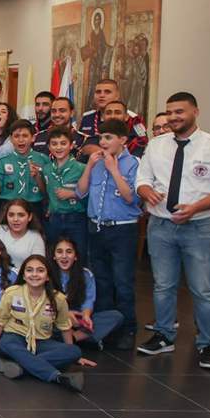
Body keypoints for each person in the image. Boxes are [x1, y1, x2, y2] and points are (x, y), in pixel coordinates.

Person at [135, 92, 210, 369]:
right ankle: (164, 335)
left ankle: (208, 344)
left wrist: (195, 208)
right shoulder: (156, 145)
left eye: (179, 111)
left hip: (201, 227)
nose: (173, 117)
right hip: (161, 225)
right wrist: (146, 192)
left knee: (203, 289)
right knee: (163, 285)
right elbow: (142, 180)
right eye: (169, 112)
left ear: (195, 112)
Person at [0, 255, 92, 392]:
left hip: (42, 342)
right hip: (15, 338)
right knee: (6, 343)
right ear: (24, 275)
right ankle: (57, 377)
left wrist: (73, 356)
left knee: (74, 351)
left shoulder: (58, 299)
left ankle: (20, 366)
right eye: (29, 270)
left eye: (40, 270)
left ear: (47, 276)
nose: (34, 274)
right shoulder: (12, 293)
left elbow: (65, 327)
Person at [76, 119, 140, 349]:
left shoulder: (133, 164)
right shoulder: (97, 163)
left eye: (108, 137)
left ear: (122, 140)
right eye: (101, 137)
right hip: (96, 227)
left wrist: (114, 169)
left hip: (122, 228)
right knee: (101, 279)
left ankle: (128, 328)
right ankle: (106, 327)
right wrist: (89, 167)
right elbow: (80, 192)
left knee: (122, 281)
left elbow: (130, 197)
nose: (102, 142)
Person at [51, 237, 121, 351]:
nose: (64, 256)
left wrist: (86, 316)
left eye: (69, 252)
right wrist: (66, 314)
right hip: (56, 317)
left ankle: (73, 338)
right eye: (59, 252)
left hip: (77, 318)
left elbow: (88, 300)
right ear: (54, 256)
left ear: (75, 256)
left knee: (115, 316)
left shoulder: (86, 275)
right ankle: (79, 339)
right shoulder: (47, 274)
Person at [39, 127, 88, 256]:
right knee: (53, 254)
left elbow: (90, 194)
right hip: (54, 219)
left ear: (71, 145)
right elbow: (46, 193)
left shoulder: (82, 168)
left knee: (78, 254)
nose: (59, 147)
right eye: (54, 144)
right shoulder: (47, 169)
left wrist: (73, 194)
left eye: (63, 143)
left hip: (76, 218)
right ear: (49, 147)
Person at [0, 119, 47, 214]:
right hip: (8, 207)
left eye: (25, 136)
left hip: (34, 207)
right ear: (11, 139)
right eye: (16, 136)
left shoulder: (43, 160)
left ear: (33, 138)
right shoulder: (3, 161)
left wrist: (38, 177)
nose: (20, 140)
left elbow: (47, 192)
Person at [78, 78, 147, 156]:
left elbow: (141, 143)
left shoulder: (134, 119)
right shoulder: (87, 117)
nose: (101, 95)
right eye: (98, 92)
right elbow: (81, 144)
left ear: (117, 96)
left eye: (107, 92)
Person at [0, 199, 47, 268]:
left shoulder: (36, 238)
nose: (15, 219)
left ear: (30, 217)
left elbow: (38, 266)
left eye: (21, 215)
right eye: (11, 215)